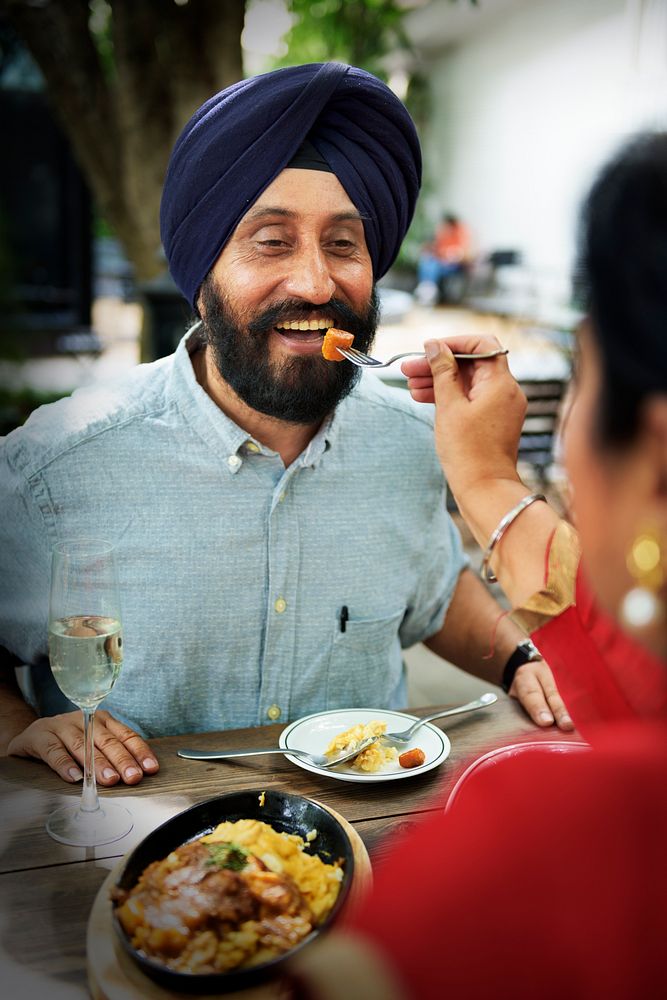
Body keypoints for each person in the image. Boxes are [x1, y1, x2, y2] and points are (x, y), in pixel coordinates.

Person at [0, 62, 570, 788]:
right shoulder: (56, 465)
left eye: (342, 244)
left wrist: (521, 659)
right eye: (270, 242)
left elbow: (429, 592)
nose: (314, 283)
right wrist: (20, 729)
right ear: (201, 281)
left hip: (368, 856)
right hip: (136, 869)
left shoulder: (408, 441)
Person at [287, 131, 667, 997]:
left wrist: (483, 481)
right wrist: (488, 476)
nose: (314, 282)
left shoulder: (525, 853)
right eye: (272, 240)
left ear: (651, 459)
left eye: (577, 383)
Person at [414, 212, 472, 306]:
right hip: (440, 263)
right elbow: (437, 249)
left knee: (433, 266)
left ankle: (427, 290)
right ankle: (427, 288)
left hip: (454, 266)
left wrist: (452, 255)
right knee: (427, 263)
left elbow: (464, 254)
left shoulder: (461, 234)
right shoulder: (443, 234)